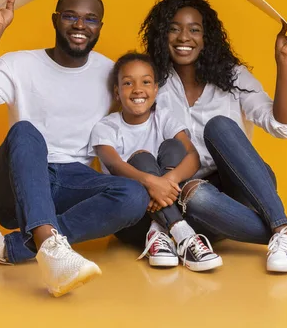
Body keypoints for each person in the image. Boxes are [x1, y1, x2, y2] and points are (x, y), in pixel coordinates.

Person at [116, 0, 287, 273]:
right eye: (173, 29)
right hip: (185, 197)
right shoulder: (152, 84)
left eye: (194, 30)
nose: (183, 38)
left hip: (244, 184)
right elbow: (131, 136)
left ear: (206, 36)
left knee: (220, 126)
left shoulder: (232, 76)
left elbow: (281, 126)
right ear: (161, 35)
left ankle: (282, 227)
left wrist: (283, 60)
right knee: (195, 194)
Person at [0, 0, 149, 296]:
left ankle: (3, 247)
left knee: (133, 195)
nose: (80, 26)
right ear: (55, 19)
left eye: (90, 19)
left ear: (100, 27)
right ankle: (50, 246)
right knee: (25, 130)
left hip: (74, 184)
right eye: (71, 16)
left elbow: (137, 118)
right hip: (20, 184)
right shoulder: (20, 65)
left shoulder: (110, 72)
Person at [89, 52, 222, 272]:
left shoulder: (164, 117)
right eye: (128, 83)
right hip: (132, 218)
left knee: (174, 147)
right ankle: (184, 236)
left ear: (156, 89)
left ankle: (162, 233)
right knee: (141, 158)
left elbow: (192, 157)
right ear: (117, 92)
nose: (138, 89)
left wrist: (166, 181)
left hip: (171, 201)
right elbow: (115, 166)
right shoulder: (106, 128)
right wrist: (151, 183)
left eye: (146, 82)